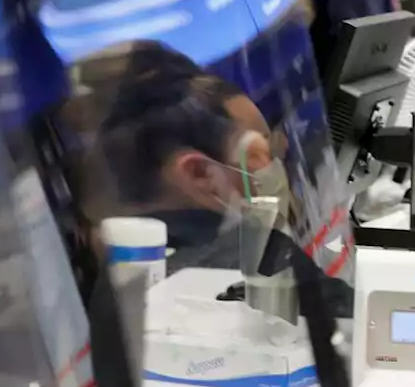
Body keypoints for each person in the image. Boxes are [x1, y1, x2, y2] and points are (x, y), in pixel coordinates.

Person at [95, 42, 354, 317]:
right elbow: (361, 334)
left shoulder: (114, 291)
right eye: (260, 149)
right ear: (201, 173)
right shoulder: (255, 260)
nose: (281, 154)